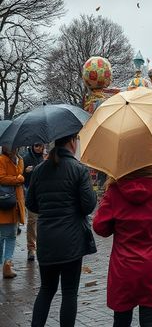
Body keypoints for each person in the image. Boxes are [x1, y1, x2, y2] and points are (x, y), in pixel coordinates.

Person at [93, 164, 152, 327]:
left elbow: (100, 227)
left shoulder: (114, 191)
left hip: (123, 268)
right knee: (149, 320)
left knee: (121, 321)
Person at [26, 132, 97, 327]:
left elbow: (30, 203)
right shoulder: (78, 170)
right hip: (71, 241)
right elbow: (88, 205)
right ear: (72, 142)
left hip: (47, 239)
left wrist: (49, 211)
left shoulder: (39, 170)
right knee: (69, 292)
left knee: (46, 289)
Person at [0, 145, 25, 279]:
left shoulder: (18, 159)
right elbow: (1, 178)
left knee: (11, 236)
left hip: (15, 203)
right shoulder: (2, 159)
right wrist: (18, 179)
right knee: (3, 236)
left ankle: (7, 265)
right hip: (4, 202)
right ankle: (4, 265)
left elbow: (20, 173)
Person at [22, 142, 46, 262]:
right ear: (32, 146)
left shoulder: (44, 159)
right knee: (32, 221)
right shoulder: (26, 158)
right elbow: (20, 177)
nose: (39, 148)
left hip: (43, 193)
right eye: (36, 145)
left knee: (42, 221)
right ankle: (31, 248)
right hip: (30, 193)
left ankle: (41, 246)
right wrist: (25, 172)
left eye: (41, 146)